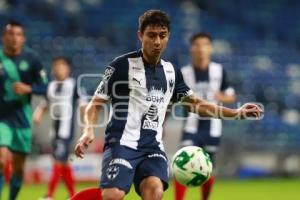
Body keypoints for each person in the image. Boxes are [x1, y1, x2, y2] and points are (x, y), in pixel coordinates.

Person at [72, 10, 262, 200]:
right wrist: (88, 130)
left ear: (168, 37)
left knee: (155, 192)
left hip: (152, 147)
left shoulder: (172, 72)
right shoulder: (120, 66)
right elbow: (95, 104)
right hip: (122, 144)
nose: (157, 42)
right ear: (140, 36)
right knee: (113, 195)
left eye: (162, 36)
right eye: (151, 35)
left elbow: (197, 104)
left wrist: (236, 112)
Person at [173, 32, 236, 200]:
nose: (201, 49)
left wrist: (220, 96)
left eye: (205, 45)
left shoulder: (219, 71)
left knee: (208, 167)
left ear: (210, 48)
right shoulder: (184, 73)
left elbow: (231, 95)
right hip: (191, 126)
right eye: (197, 45)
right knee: (182, 161)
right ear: (191, 49)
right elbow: (171, 99)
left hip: (213, 128)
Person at [0, 21, 48, 200]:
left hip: (22, 119)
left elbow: (45, 87)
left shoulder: (32, 59)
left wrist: (28, 89)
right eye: (10, 34)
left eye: (18, 34)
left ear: (23, 38)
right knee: (1, 160)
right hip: (2, 118)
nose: (14, 38)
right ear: (4, 37)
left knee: (18, 168)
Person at [33, 57, 85, 200]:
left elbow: (83, 105)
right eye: (56, 66)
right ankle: (73, 195)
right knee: (63, 162)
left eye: (61, 66)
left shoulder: (74, 84)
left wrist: (87, 126)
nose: (58, 69)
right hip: (54, 130)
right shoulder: (51, 86)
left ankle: (49, 195)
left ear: (68, 68)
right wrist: (37, 114)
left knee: (57, 160)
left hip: (66, 131)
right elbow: (45, 103)